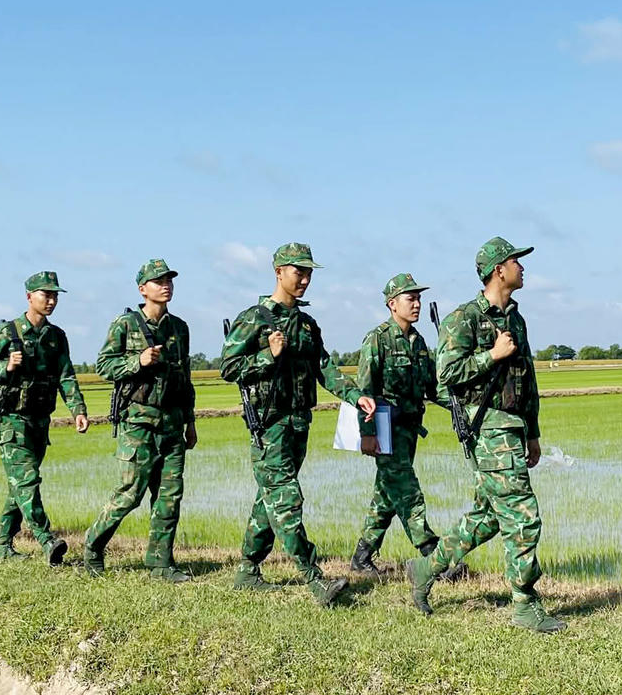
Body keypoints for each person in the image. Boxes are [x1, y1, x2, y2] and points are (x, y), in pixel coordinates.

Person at [405, 237, 566, 634]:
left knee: (490, 517)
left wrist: (533, 432)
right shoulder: (465, 319)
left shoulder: (516, 319)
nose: (523, 268)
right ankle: (525, 603)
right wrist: (491, 355)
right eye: (516, 261)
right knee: (523, 517)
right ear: (499, 270)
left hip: (512, 427)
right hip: (488, 428)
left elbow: (526, 381)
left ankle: (426, 568)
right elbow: (445, 376)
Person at [220, 242, 376, 606]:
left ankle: (247, 569)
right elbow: (229, 367)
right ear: (279, 272)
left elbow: (325, 367)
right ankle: (314, 579)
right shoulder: (254, 318)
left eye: (308, 273)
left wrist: (355, 396)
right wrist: (266, 354)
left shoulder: (307, 324)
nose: (305, 279)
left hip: (298, 424)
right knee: (287, 500)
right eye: (298, 272)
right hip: (269, 424)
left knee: (269, 499)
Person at [83, 259, 197, 582]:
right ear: (142, 289)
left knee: (169, 495)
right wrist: (138, 360)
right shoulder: (125, 325)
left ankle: (160, 563)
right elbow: (104, 366)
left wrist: (190, 422)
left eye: (169, 280)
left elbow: (185, 378)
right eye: (158, 281)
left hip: (172, 424)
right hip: (138, 424)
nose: (166, 285)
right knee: (130, 493)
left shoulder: (180, 328)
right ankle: (92, 546)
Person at [0, 271, 90, 564]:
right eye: (45, 295)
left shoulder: (56, 336)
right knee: (28, 481)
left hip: (41, 421)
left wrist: (78, 410)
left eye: (54, 296)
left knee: (20, 485)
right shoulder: (8, 332)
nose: (51, 301)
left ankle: (3, 546)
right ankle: (46, 540)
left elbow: (66, 376)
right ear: (29, 297)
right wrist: (6, 366)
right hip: (13, 420)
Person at [349, 273, 452, 577]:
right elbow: (363, 391)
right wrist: (367, 435)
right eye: (411, 298)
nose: (417, 303)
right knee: (408, 492)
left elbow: (433, 388)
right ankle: (435, 559)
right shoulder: (377, 339)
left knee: (387, 493)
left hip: (409, 429)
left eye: (419, 298)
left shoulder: (418, 342)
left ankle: (362, 556)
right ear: (392, 304)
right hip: (384, 427)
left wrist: (463, 405)